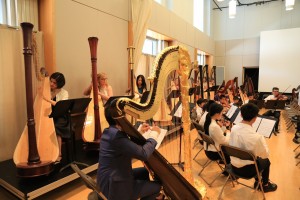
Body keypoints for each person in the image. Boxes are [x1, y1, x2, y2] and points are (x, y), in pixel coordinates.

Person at [97, 106, 162, 200]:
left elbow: (124, 145)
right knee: (157, 186)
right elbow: (143, 154)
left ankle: (142, 193)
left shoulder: (109, 131)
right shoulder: (117, 136)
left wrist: (139, 131)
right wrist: (154, 134)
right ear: (120, 118)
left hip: (108, 179)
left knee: (144, 171)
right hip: (115, 188)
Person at [229, 103, 277, 192]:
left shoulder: (234, 128)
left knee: (254, 156)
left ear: (240, 115)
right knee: (266, 161)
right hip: (247, 170)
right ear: (255, 119)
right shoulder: (257, 137)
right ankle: (265, 184)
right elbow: (265, 155)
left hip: (233, 165)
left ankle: (258, 181)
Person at [43, 72, 69, 161]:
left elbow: (60, 105)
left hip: (60, 116)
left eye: (54, 83)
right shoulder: (46, 90)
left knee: (56, 127)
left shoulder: (64, 93)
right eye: (51, 81)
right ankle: (45, 151)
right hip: (49, 115)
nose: (51, 84)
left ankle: (59, 153)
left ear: (60, 84)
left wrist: (48, 100)